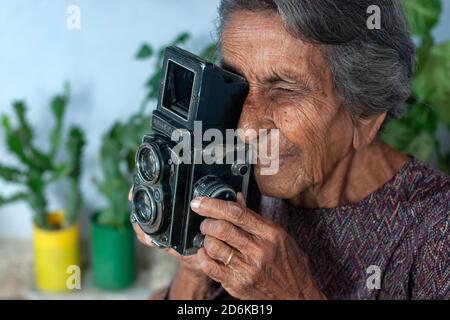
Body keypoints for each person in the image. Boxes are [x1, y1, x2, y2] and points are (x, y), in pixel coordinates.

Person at [132, 0, 449, 299]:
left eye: (284, 89)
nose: (246, 129)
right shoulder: (239, 178)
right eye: (235, 81)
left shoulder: (436, 232)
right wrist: (195, 270)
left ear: (365, 113)